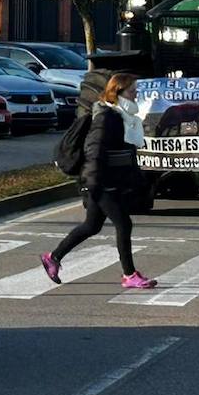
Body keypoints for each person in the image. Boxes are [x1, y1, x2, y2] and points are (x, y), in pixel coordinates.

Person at [40, 73, 157, 290]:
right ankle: (129, 275)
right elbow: (94, 150)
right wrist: (92, 183)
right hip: (100, 181)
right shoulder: (106, 117)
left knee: (91, 226)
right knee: (124, 223)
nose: (136, 95)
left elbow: (124, 151)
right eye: (132, 91)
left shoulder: (121, 115)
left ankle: (53, 257)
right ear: (118, 93)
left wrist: (137, 179)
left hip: (108, 179)